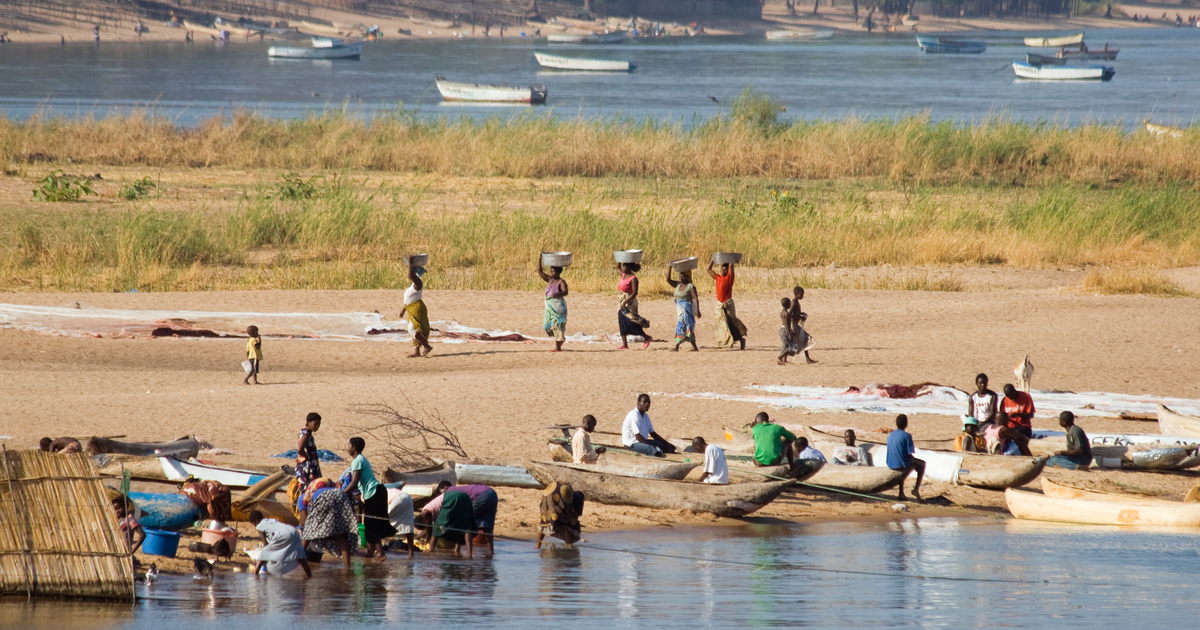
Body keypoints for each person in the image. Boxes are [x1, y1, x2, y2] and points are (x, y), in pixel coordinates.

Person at [346, 437, 395, 562]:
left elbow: (354, 483)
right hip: (378, 491)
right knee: (372, 522)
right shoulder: (362, 459)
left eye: (349, 445)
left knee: (372, 524)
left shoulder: (357, 461)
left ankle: (380, 553)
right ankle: (370, 551)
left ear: (354, 448)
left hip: (374, 493)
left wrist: (342, 493)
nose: (347, 448)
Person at [299, 477, 356, 569]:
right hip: (341, 495)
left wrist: (310, 532)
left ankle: (299, 560)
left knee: (307, 532)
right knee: (340, 533)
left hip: (325, 498)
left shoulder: (302, 498)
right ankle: (347, 566)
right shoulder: (332, 489)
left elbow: (305, 521)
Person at [425, 482, 498, 553]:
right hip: (491, 493)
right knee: (486, 525)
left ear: (446, 488)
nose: (442, 495)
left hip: (480, 496)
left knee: (465, 524)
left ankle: (461, 550)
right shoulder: (460, 489)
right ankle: (491, 552)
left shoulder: (450, 491)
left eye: (442, 492)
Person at [248, 510, 311, 577]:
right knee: (299, 554)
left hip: (283, 534)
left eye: (253, 524)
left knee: (264, 552)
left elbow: (265, 544)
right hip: (293, 531)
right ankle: (309, 575)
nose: (254, 526)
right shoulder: (270, 520)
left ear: (256, 521)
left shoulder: (259, 526)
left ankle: (255, 574)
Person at [415, 490, 475, 558]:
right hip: (465, 496)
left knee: (437, 527)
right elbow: (427, 530)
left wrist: (426, 543)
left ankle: (431, 549)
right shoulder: (431, 510)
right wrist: (416, 538)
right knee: (464, 526)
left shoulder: (425, 512)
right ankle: (467, 553)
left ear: (423, 521)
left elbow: (430, 530)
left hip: (450, 498)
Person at [707, 260, 746, 349]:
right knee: (720, 323)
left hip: (727, 303)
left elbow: (731, 267)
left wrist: (729, 259)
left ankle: (741, 340)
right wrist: (713, 260)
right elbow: (708, 269)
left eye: (725, 270)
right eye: (721, 269)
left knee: (731, 323)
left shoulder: (729, 278)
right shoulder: (718, 278)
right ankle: (723, 342)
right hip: (720, 304)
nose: (722, 271)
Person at [886, 414, 925, 502]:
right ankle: (916, 489)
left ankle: (901, 492)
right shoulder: (907, 436)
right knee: (922, 464)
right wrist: (915, 461)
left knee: (903, 461)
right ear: (906, 424)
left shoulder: (891, 434)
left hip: (890, 462)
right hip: (900, 463)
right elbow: (909, 453)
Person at [616, 262, 653, 349]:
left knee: (631, 320)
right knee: (622, 320)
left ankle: (647, 337)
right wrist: (619, 259)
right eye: (623, 266)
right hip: (622, 299)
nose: (623, 268)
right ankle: (625, 344)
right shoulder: (623, 275)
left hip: (630, 301)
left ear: (629, 267)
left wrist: (625, 302)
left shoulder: (633, 278)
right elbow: (617, 268)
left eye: (625, 266)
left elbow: (635, 293)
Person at [537, 482, 585, 548]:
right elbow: (575, 517)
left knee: (544, 520)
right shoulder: (580, 500)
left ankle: (538, 545)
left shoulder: (572, 495)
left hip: (549, 492)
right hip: (559, 494)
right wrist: (575, 525)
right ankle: (568, 547)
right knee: (567, 525)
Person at [537, 258, 569, 352]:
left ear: (559, 272)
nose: (551, 273)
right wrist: (540, 258)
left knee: (556, 326)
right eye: (551, 271)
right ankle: (560, 340)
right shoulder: (550, 280)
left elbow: (565, 292)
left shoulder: (561, 282)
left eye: (553, 271)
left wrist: (557, 295)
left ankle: (558, 347)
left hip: (558, 307)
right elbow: (539, 271)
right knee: (547, 325)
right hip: (550, 308)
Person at [403, 258, 434, 358]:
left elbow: (411, 275)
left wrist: (410, 262)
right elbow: (409, 299)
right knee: (415, 329)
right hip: (412, 308)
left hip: (417, 309)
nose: (409, 274)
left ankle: (426, 346)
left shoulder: (418, 283)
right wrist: (403, 310)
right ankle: (417, 351)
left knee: (412, 329)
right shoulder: (413, 285)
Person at [665, 265, 700, 352]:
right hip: (680, 308)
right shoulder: (677, 284)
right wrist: (670, 267)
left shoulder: (690, 286)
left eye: (683, 276)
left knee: (683, 325)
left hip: (687, 309)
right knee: (685, 326)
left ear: (688, 277)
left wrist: (698, 310)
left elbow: (695, 298)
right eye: (680, 275)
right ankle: (694, 347)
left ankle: (677, 346)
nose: (680, 277)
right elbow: (668, 280)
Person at [295, 412, 323, 492]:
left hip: (310, 467)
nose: (317, 426)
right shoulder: (306, 434)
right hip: (307, 469)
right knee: (309, 492)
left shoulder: (307, 433)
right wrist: (306, 457)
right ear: (308, 422)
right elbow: (300, 448)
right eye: (315, 424)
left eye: (318, 424)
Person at [789, 287, 817, 364]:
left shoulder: (796, 302)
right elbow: (789, 315)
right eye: (802, 294)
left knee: (803, 340)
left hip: (795, 324)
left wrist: (801, 314)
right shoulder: (794, 302)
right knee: (806, 338)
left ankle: (808, 359)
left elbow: (795, 313)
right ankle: (782, 357)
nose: (802, 296)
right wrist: (800, 317)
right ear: (797, 294)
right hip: (793, 325)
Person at [386, 486, 416, 558]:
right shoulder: (385, 488)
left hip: (396, 500)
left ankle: (377, 551)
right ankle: (410, 554)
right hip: (407, 497)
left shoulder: (365, 495)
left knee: (378, 522)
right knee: (409, 526)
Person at [778, 298, 798, 365]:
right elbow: (786, 324)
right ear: (788, 305)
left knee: (785, 346)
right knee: (791, 347)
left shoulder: (782, 312)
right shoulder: (786, 314)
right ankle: (780, 357)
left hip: (783, 329)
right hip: (785, 330)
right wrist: (789, 332)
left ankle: (783, 360)